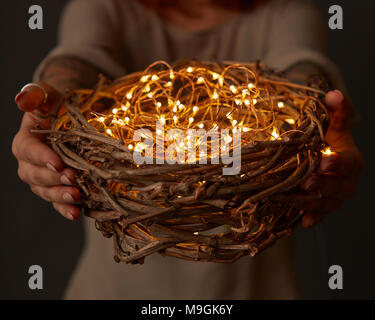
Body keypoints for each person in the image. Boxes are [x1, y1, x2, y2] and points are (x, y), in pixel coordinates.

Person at [11, 0, 363, 299]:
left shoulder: (286, 10)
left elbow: (301, 69)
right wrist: (52, 98)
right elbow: (80, 61)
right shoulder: (104, 7)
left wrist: (317, 107)